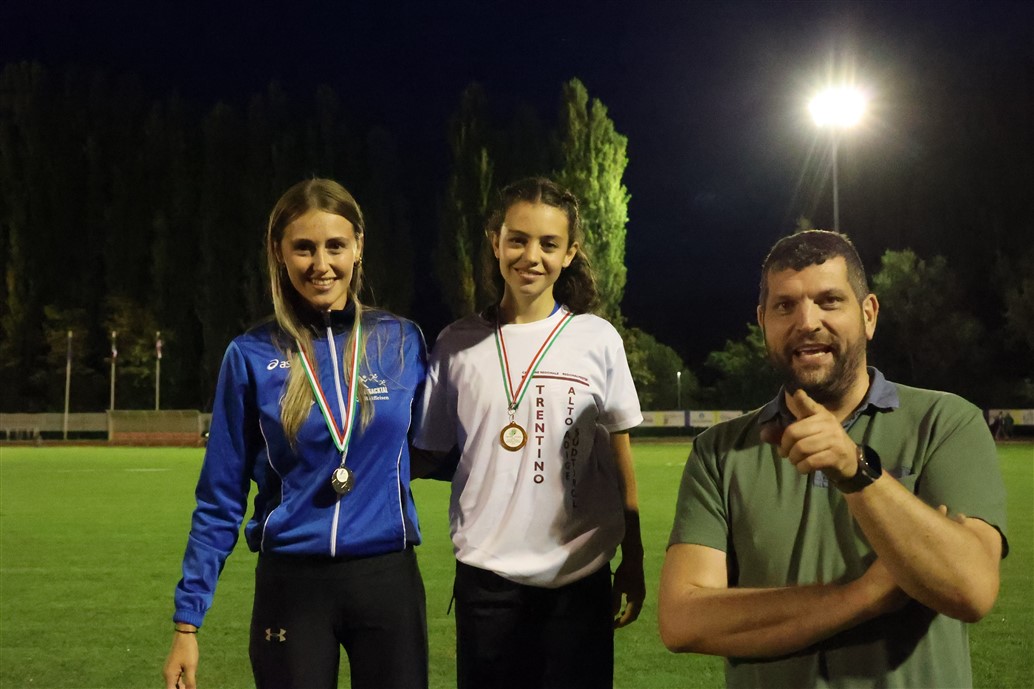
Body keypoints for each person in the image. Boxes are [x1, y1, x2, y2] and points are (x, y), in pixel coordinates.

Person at [659, 229, 1008, 689]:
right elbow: (683, 620)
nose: (807, 322)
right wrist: (863, 595)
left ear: (868, 314)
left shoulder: (945, 422)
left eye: (829, 301)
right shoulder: (718, 451)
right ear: (763, 321)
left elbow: (971, 589)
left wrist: (856, 469)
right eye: (785, 306)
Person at [162, 179, 429, 689]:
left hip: (387, 580)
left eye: (335, 245)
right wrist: (187, 623)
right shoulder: (250, 355)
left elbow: (440, 448)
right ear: (278, 252)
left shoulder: (401, 342)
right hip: (292, 586)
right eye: (304, 247)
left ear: (358, 247)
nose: (320, 263)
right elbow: (220, 497)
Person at [413, 177, 646, 689]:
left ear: (569, 253)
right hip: (487, 583)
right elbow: (426, 452)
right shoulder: (455, 344)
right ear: (495, 242)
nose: (531, 256)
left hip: (578, 580)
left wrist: (634, 557)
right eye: (517, 239)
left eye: (549, 243)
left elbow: (618, 451)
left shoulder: (597, 339)